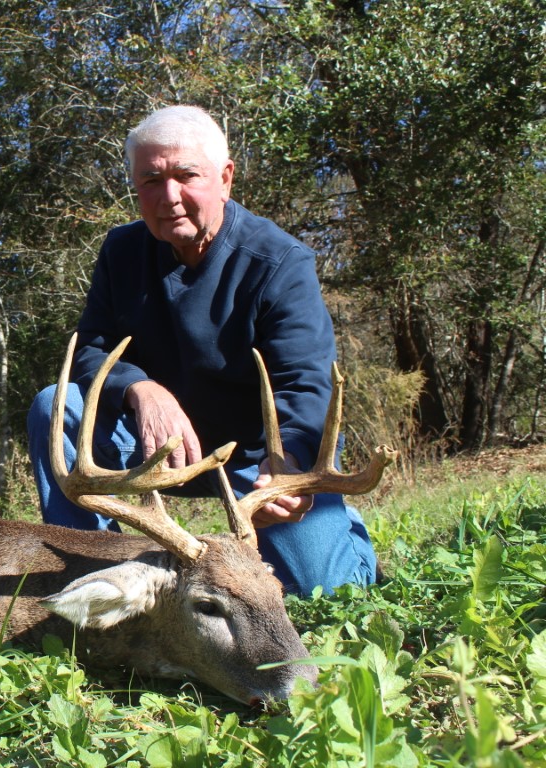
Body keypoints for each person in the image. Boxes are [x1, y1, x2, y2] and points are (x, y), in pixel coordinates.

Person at [26, 106, 377, 595]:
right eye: (150, 180)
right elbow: (89, 352)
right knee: (55, 405)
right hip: (161, 449)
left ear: (225, 178)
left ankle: (349, 542)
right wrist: (141, 389)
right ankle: (92, 573)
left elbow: (305, 381)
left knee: (321, 589)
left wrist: (290, 462)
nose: (169, 196)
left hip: (261, 458)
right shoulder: (122, 252)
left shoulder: (279, 262)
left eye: (186, 175)